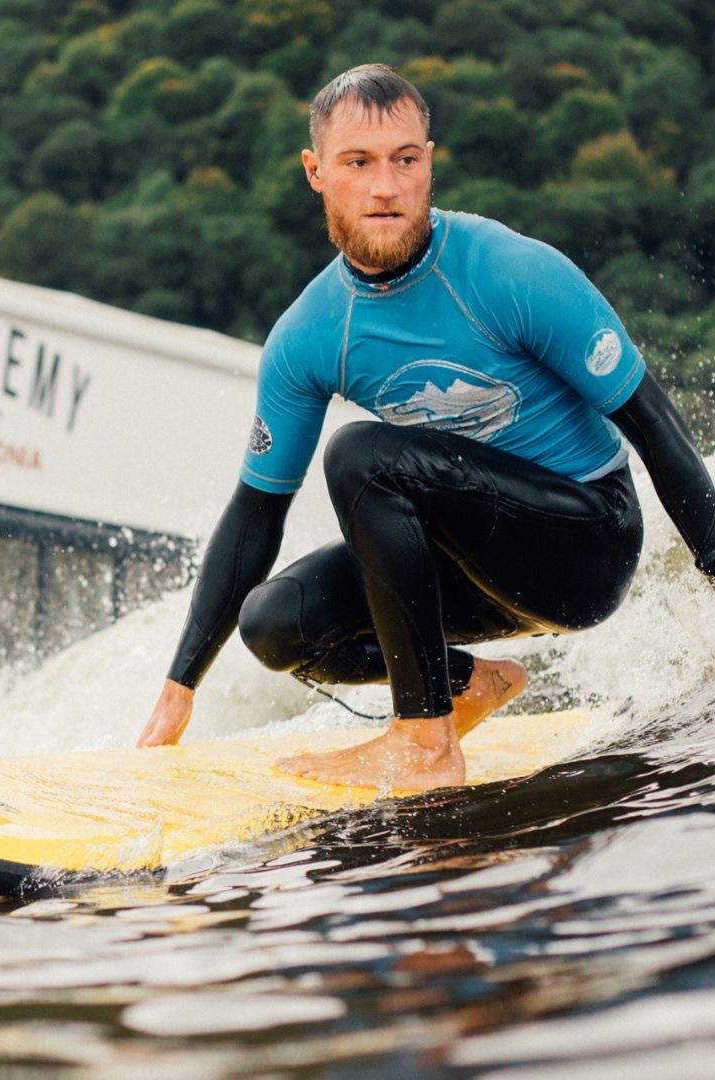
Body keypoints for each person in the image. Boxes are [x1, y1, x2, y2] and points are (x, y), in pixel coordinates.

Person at [137, 64, 715, 792]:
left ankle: (424, 740)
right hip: (469, 570)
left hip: (584, 545)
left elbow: (659, 430)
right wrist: (179, 685)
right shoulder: (309, 336)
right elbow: (255, 514)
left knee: (362, 455)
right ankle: (466, 687)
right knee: (276, 622)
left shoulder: (512, 272)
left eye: (405, 160)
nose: (386, 186)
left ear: (429, 163)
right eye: (358, 163)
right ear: (316, 172)